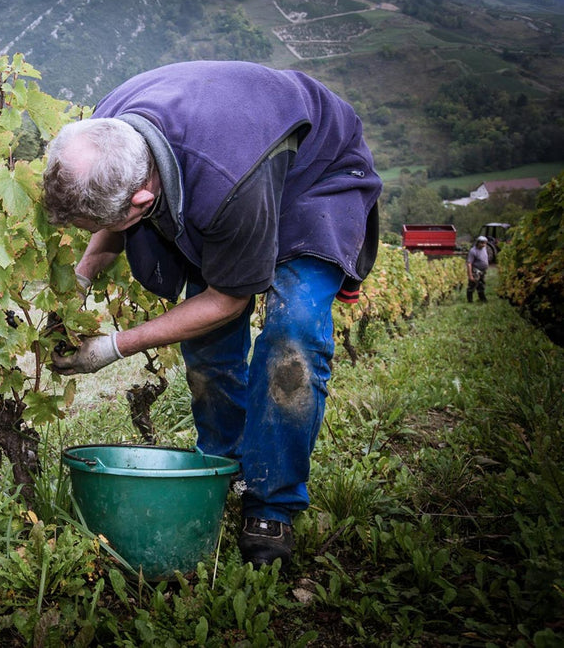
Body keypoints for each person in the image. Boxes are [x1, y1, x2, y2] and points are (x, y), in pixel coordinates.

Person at [41, 61, 382, 568]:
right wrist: (85, 275)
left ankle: (272, 505)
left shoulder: (225, 186)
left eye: (110, 219)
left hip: (313, 181)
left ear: (143, 199)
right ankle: (225, 469)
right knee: (206, 348)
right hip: (230, 168)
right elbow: (113, 212)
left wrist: (115, 346)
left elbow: (228, 298)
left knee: (292, 339)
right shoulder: (107, 130)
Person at [466, 236, 490, 303]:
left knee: (481, 284)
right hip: (476, 270)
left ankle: (482, 299)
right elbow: (469, 263)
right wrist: (470, 275)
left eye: (485, 243)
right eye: (482, 243)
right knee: (472, 285)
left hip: (483, 271)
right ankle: (470, 300)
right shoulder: (473, 251)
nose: (483, 244)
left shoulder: (484, 248)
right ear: (478, 243)